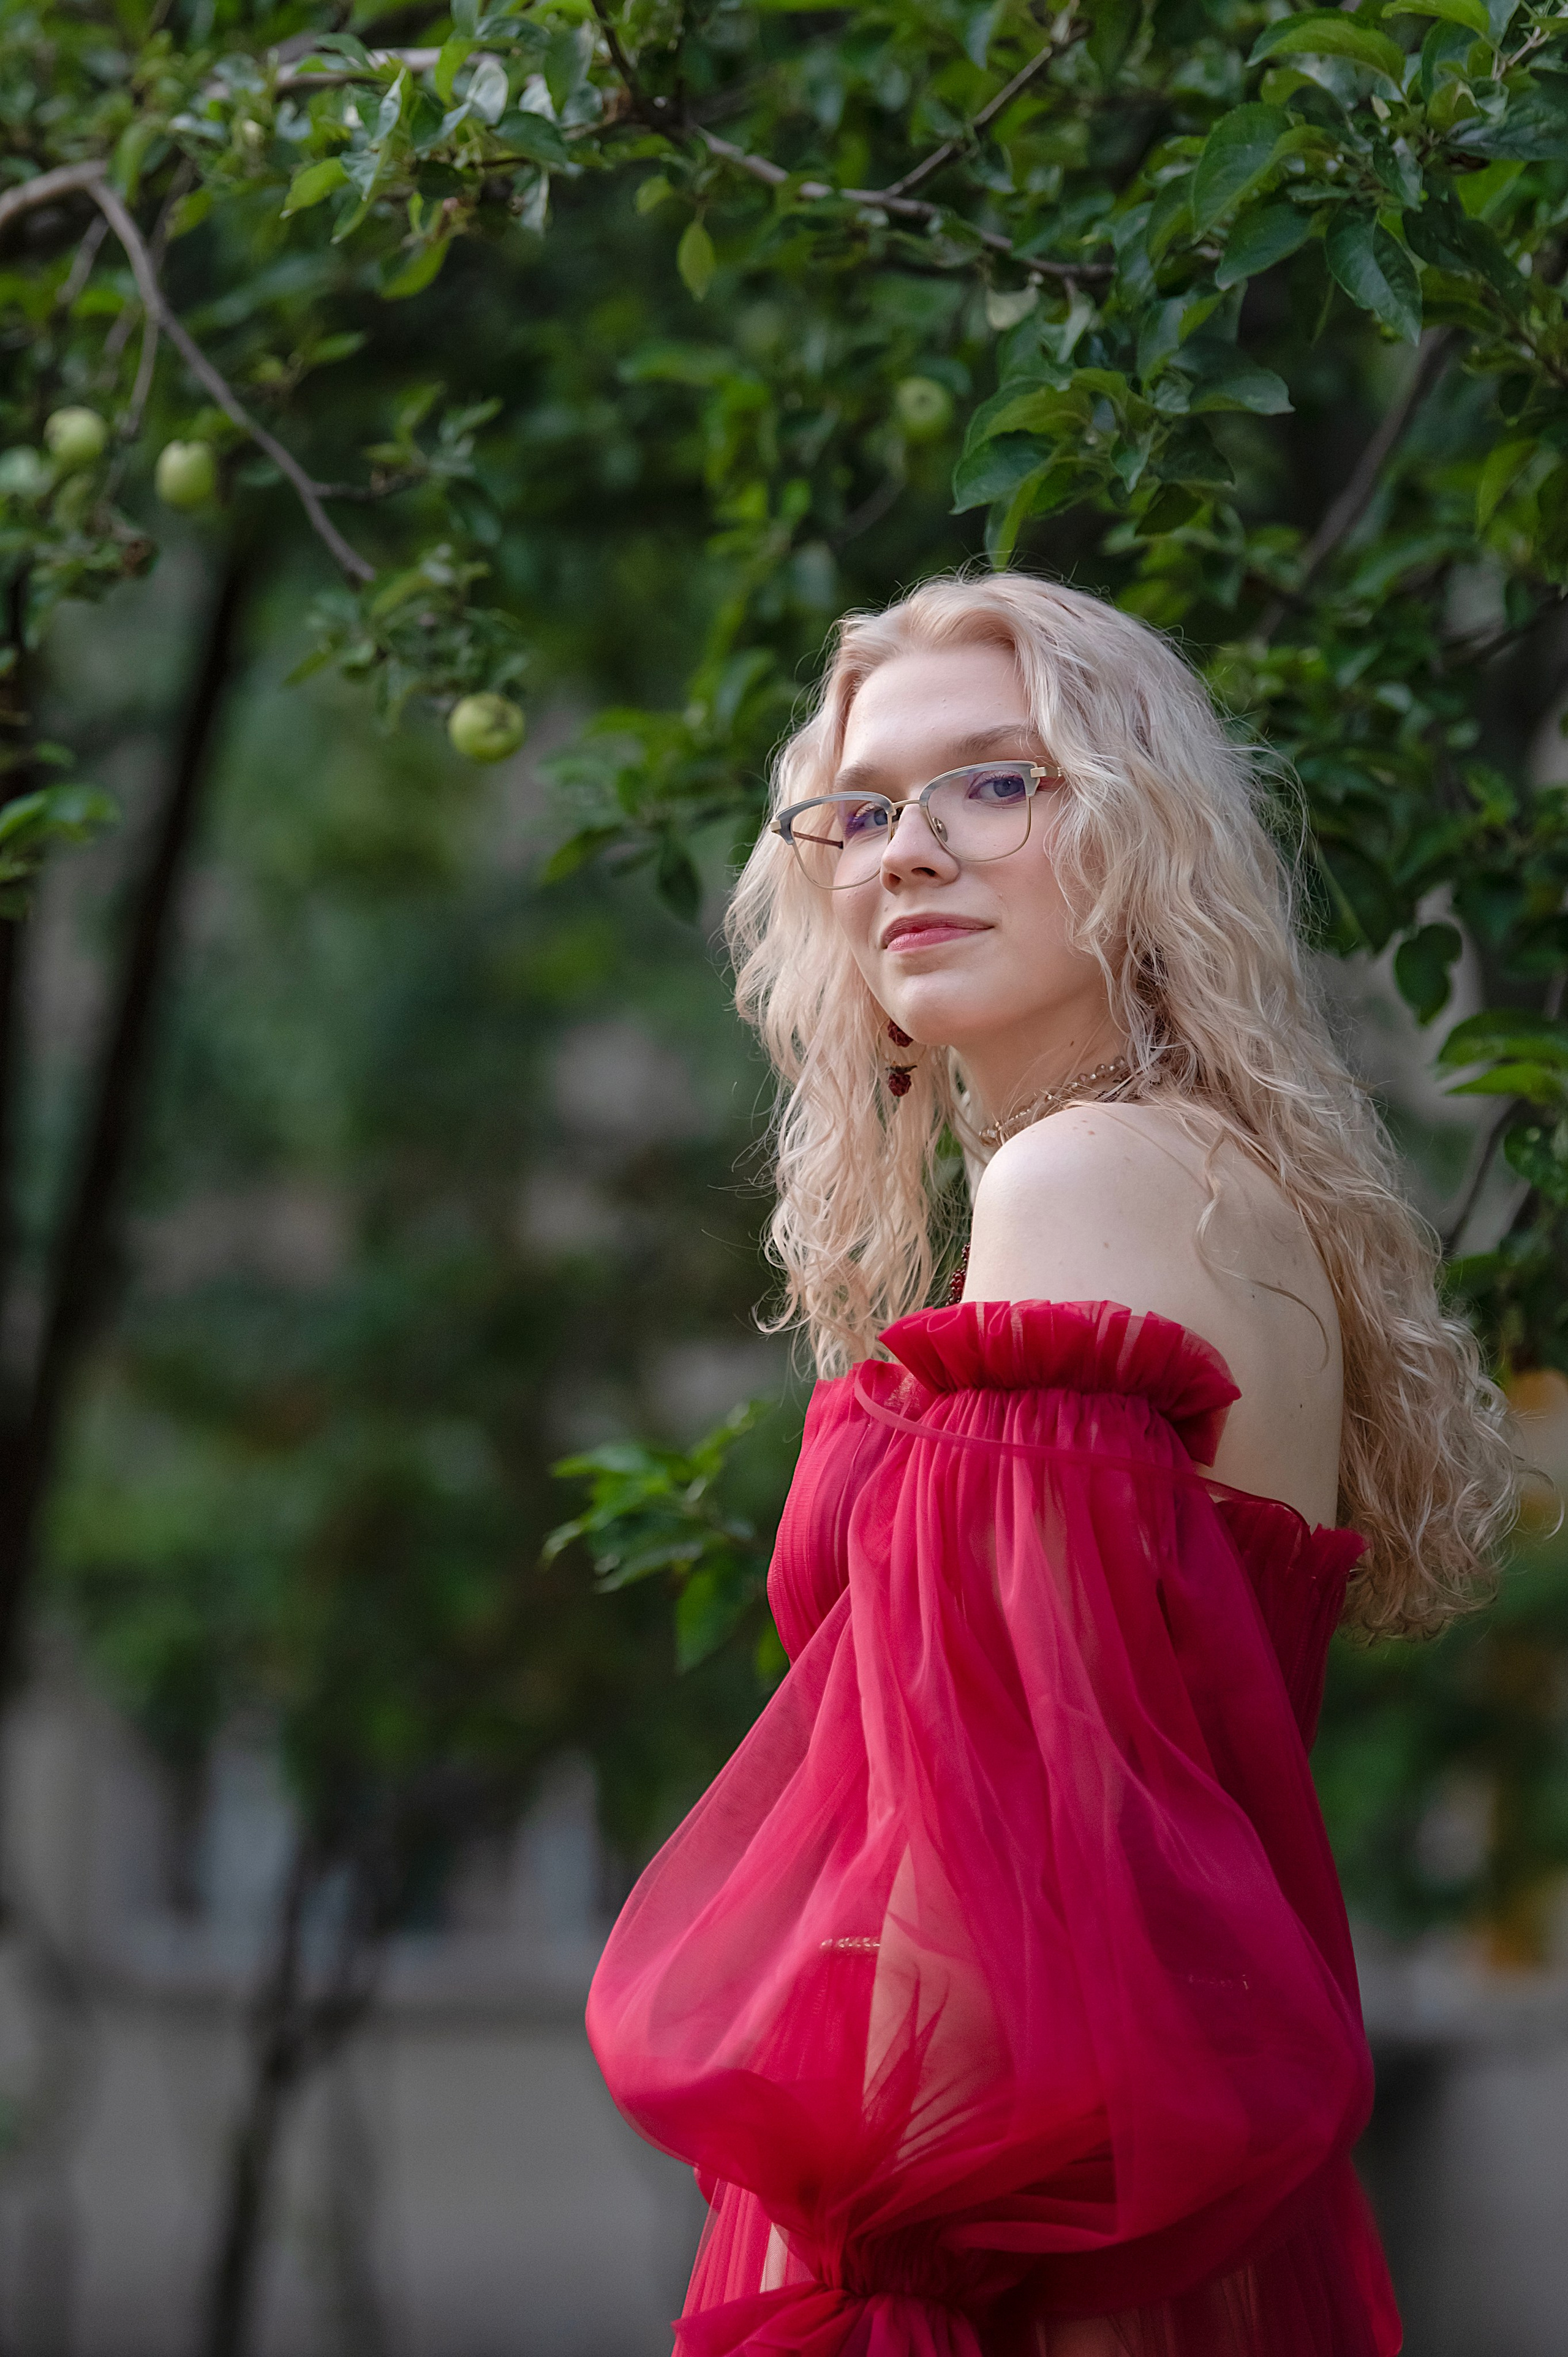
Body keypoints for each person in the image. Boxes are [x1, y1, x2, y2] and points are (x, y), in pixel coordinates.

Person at [586, 573, 1517, 2357]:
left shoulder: (1076, 1183)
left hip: (1046, 2237)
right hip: (1153, 2225)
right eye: (860, 813)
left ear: (1143, 839)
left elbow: (1019, 1876)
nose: (908, 853)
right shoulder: (1200, 1177)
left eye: (994, 784)